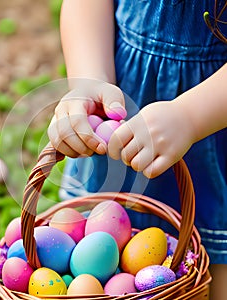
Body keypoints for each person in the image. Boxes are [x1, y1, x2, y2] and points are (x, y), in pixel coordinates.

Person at [47, 1, 227, 299]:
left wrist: (191, 117)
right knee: (103, 261)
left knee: (211, 279)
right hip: (122, 111)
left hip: (215, 133)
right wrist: (90, 80)